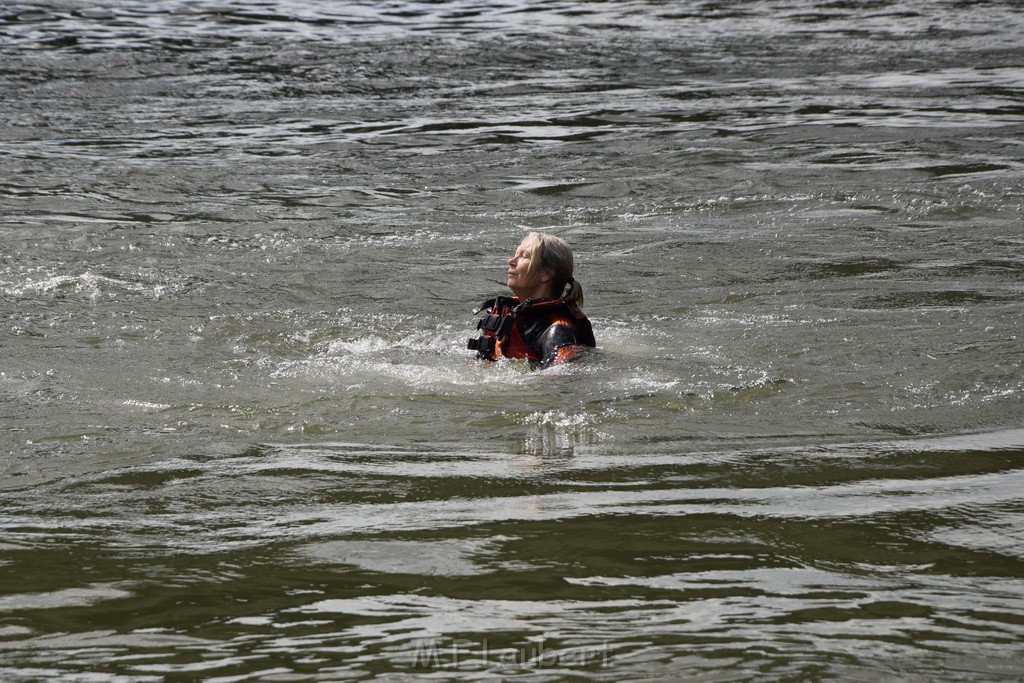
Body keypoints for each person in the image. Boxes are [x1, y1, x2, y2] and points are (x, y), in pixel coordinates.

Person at [468, 232, 596, 368]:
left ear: (546, 274)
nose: (511, 261)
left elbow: (561, 380)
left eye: (524, 256)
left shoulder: (557, 332)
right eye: (516, 254)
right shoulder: (513, 315)